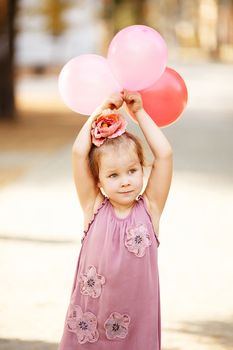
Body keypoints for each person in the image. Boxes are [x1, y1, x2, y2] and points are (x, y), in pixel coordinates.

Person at [58, 90, 173, 350]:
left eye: (132, 170)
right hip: (93, 320)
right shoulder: (94, 206)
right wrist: (100, 110)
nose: (125, 181)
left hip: (137, 323)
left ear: (142, 169)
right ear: (98, 181)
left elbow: (164, 155)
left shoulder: (150, 208)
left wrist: (140, 113)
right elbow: (78, 153)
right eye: (113, 175)